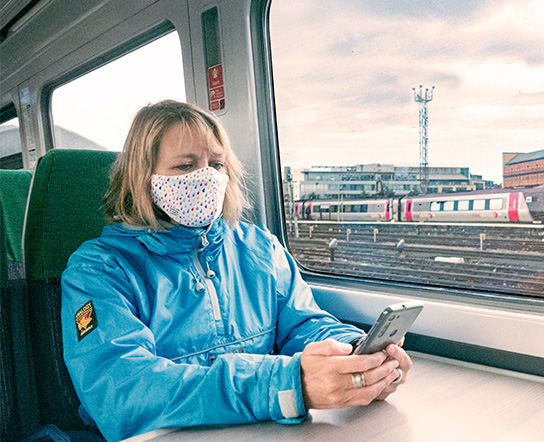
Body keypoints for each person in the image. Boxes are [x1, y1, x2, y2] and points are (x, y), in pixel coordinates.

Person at [61, 100, 412, 442]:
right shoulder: (97, 269)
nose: (206, 178)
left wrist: (352, 355)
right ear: (143, 177)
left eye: (216, 164)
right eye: (185, 166)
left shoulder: (259, 247)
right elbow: (122, 390)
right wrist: (286, 384)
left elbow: (303, 323)